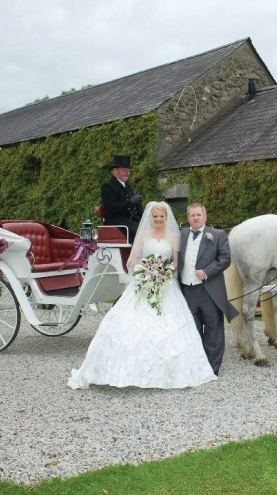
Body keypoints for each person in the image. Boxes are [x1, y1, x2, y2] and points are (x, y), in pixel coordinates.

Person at [68, 201, 217, 389]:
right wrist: (144, 271)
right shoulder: (144, 234)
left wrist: (164, 272)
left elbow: (176, 263)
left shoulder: (173, 236)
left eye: (161, 217)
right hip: (143, 282)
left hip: (165, 283)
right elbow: (133, 259)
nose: (158, 220)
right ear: (151, 218)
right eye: (155, 217)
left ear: (166, 218)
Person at [178, 203, 239, 376]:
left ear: (205, 217)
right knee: (192, 329)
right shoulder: (181, 235)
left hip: (209, 291)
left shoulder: (218, 235)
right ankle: (196, 366)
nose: (195, 218)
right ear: (188, 218)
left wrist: (207, 272)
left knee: (213, 329)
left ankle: (212, 368)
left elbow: (225, 258)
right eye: (192, 215)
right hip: (187, 290)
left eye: (198, 214)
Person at [100, 155, 143, 243]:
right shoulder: (108, 186)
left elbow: (135, 207)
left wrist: (145, 217)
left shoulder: (127, 186)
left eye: (129, 171)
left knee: (148, 228)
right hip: (115, 220)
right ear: (115, 171)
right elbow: (111, 208)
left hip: (129, 219)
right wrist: (130, 202)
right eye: (125, 171)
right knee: (138, 231)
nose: (128, 173)